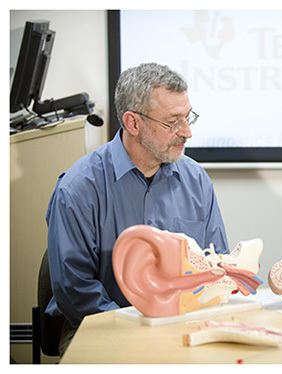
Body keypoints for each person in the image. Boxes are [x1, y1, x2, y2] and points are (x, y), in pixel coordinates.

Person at [45, 62, 229, 355]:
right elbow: (74, 289)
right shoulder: (79, 188)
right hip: (100, 326)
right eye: (173, 122)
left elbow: (216, 265)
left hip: (182, 325)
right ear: (133, 123)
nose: (187, 132)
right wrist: (140, 332)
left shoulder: (196, 180)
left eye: (188, 118)